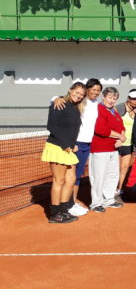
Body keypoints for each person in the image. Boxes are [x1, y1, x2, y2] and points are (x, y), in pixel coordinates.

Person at [52, 77, 102, 216]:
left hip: (88, 143)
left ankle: (71, 203)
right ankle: (68, 204)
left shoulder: (97, 104)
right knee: (71, 176)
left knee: (78, 174)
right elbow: (62, 100)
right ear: (87, 89)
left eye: (98, 90)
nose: (96, 92)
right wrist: (55, 98)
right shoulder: (81, 101)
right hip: (76, 143)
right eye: (93, 89)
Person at [42, 82, 85, 223]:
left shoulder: (75, 108)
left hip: (68, 148)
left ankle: (63, 210)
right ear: (70, 90)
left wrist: (73, 144)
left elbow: (70, 130)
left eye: (81, 95)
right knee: (59, 180)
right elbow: (52, 126)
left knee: (71, 179)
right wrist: (66, 144)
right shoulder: (59, 103)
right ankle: (55, 214)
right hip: (57, 146)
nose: (79, 96)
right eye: (77, 92)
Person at [90, 86, 127, 213]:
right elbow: (101, 129)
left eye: (114, 98)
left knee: (112, 175)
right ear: (103, 97)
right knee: (98, 176)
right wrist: (120, 136)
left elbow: (122, 126)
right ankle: (96, 203)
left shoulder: (114, 111)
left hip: (113, 149)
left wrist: (121, 138)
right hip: (100, 149)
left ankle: (109, 200)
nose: (112, 100)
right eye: (109, 97)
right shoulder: (98, 109)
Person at [115, 88, 136, 201]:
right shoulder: (120, 107)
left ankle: (119, 189)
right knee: (115, 168)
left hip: (129, 144)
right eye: (134, 99)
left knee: (124, 168)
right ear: (129, 98)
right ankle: (111, 189)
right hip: (117, 143)